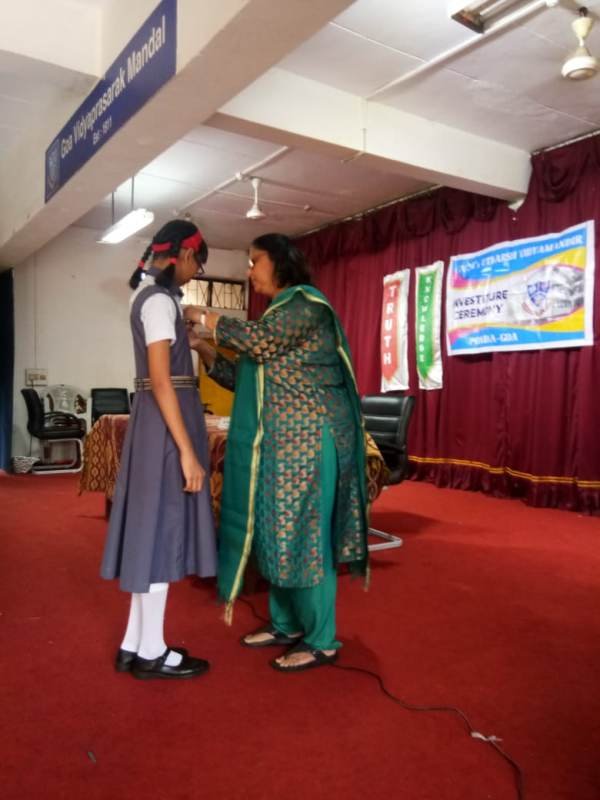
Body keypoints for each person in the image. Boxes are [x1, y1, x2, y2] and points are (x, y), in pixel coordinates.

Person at [185, 233, 368, 673]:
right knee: (275, 534)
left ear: (281, 260)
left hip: (311, 444)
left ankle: (321, 639)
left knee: (306, 539)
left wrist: (205, 316)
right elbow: (244, 378)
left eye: (255, 261)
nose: (250, 271)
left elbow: (261, 341)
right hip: (279, 447)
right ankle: (285, 623)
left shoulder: (307, 305)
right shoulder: (276, 315)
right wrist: (203, 348)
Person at [101, 219, 217, 680]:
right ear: (184, 256)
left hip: (159, 423)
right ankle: (152, 651)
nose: (194, 272)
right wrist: (187, 451)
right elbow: (162, 380)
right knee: (163, 533)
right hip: (168, 428)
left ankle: (135, 643)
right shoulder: (158, 303)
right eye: (196, 264)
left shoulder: (152, 298)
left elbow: (163, 373)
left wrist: (192, 335)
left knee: (153, 532)